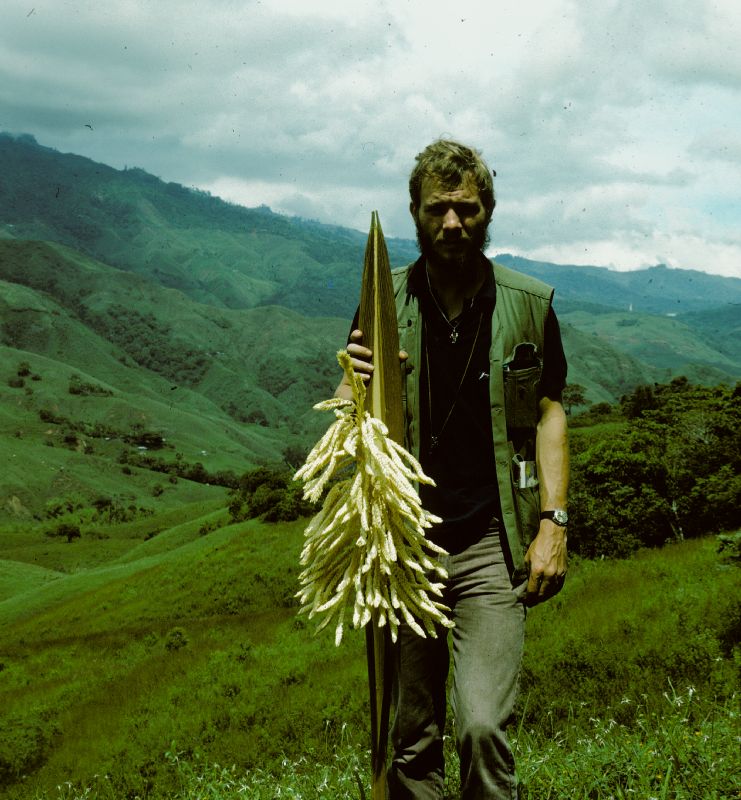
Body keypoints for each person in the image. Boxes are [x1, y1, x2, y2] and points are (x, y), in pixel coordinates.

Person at [336, 139, 569, 799]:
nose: (451, 224)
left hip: (487, 547)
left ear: (487, 211)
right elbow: (357, 420)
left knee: (481, 727)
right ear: (415, 213)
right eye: (437, 209)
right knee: (409, 742)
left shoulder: (526, 304)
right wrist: (355, 384)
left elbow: (549, 409)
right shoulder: (385, 307)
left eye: (466, 210)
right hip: (406, 551)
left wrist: (553, 523)